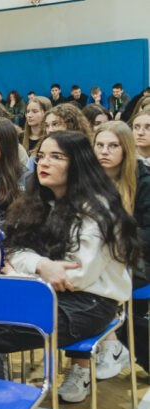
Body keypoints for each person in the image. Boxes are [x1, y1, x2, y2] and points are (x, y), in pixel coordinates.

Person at [0, 133, 137, 409]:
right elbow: (13, 251)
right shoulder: (38, 201)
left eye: (56, 157)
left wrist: (21, 271)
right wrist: (40, 264)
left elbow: (72, 277)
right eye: (41, 155)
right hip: (39, 292)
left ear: (78, 163)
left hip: (89, 303)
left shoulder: (98, 210)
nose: (44, 163)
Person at [93, 121, 149, 372]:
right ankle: (112, 344)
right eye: (100, 145)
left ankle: (113, 344)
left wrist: (117, 243)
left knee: (94, 282)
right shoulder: (88, 181)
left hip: (137, 258)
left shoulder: (144, 182)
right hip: (98, 257)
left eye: (113, 146)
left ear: (126, 149)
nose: (104, 151)